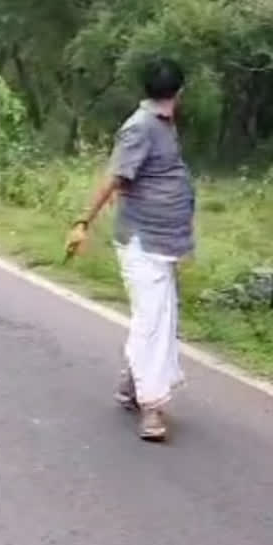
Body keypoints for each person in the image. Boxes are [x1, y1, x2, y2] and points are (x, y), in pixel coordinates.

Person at [65, 57, 195, 442]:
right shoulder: (139, 128)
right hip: (141, 241)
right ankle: (151, 409)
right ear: (180, 92)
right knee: (152, 322)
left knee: (158, 319)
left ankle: (132, 387)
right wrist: (82, 222)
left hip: (163, 242)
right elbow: (115, 178)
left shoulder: (163, 124)